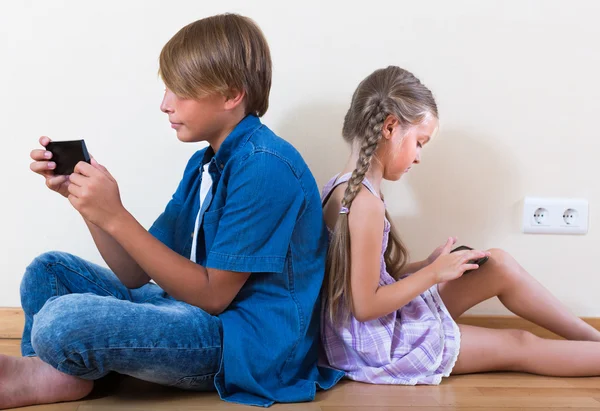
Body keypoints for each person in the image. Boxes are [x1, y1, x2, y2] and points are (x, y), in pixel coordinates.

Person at [1, 13, 342, 409]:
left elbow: (214, 296)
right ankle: (50, 373)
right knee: (48, 272)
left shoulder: (266, 166)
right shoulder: (204, 163)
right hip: (185, 308)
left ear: (232, 94)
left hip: (239, 343)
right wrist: (89, 205)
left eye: (181, 91)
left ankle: (51, 373)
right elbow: (133, 272)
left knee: (62, 319)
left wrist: (115, 215)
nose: (165, 104)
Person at [320, 65, 600, 385]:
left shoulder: (345, 187)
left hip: (374, 326)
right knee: (520, 343)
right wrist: (433, 274)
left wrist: (427, 265)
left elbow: (365, 278)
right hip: (379, 343)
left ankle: (593, 340)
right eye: (420, 142)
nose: (419, 157)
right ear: (390, 127)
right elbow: (365, 306)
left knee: (498, 265)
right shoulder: (364, 204)